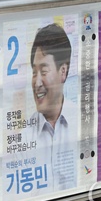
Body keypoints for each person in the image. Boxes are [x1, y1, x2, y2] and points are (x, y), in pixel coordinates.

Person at [25, 23, 77, 192]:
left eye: (44, 71)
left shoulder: (82, 123)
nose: (37, 82)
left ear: (63, 71)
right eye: (34, 73)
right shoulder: (24, 136)